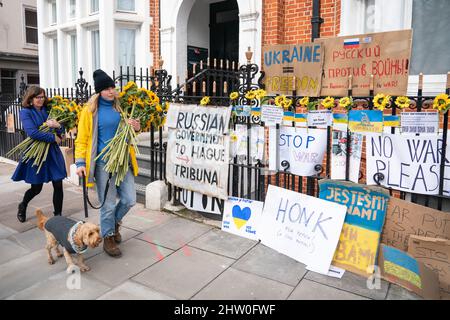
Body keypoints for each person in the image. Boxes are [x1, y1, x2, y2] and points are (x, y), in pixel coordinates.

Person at [75, 69, 140, 258]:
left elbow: (129, 132)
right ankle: (109, 237)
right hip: (103, 164)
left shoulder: (119, 108)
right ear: (99, 91)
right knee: (108, 204)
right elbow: (82, 139)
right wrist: (80, 162)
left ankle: (114, 224)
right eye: (107, 88)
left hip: (122, 162)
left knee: (129, 199)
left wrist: (136, 127)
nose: (111, 91)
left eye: (113, 87)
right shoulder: (90, 111)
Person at [12, 86, 66, 223]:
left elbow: (61, 129)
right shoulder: (25, 112)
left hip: (52, 153)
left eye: (42, 97)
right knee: (36, 188)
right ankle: (23, 205)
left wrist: (58, 127)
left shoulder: (49, 110)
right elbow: (33, 133)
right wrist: (53, 138)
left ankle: (58, 216)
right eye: (38, 97)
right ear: (30, 99)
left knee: (58, 184)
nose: (41, 100)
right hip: (36, 154)